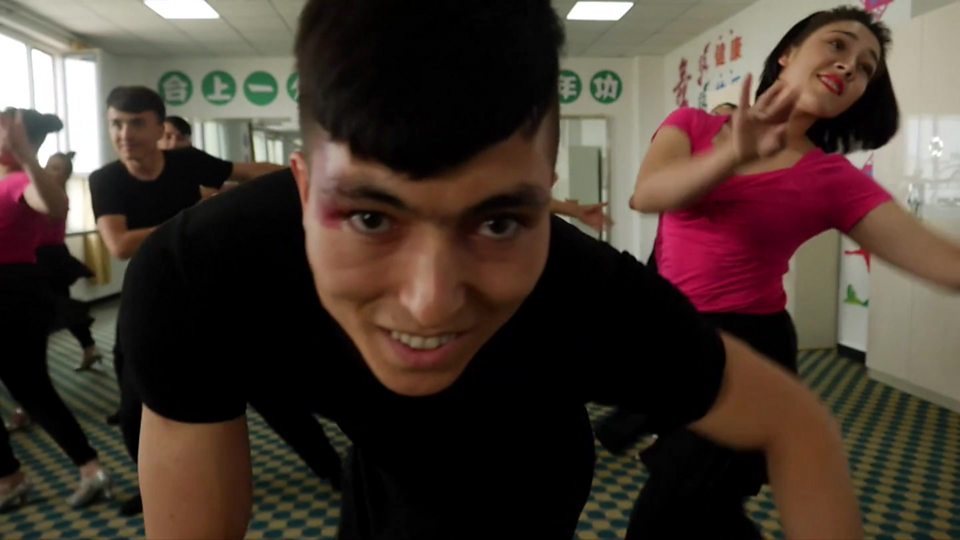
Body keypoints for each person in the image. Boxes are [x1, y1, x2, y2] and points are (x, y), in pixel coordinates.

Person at [124, 2, 863, 538]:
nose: (430, 302)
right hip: (379, 464)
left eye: (499, 221)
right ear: (301, 185)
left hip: (522, 470)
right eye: (372, 218)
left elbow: (795, 424)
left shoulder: (587, 294)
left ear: (545, 194)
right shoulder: (200, 272)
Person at [628, 6, 960, 538]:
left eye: (867, 67)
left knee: (672, 511)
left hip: (749, 347)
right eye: (838, 45)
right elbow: (648, 195)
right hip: (675, 336)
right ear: (788, 54)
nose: (850, 66)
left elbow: (943, 263)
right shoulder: (691, 124)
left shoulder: (832, 179)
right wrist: (731, 155)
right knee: (703, 512)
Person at [89, 86, 339, 516]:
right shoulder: (106, 180)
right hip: (149, 305)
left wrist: (307, 177)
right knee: (134, 412)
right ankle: (153, 488)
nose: (124, 134)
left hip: (218, 296)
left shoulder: (186, 162)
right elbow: (119, 244)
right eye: (116, 124)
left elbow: (250, 171)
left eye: (136, 123)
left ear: (159, 128)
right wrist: (204, 218)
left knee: (273, 394)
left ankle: (333, 470)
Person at [0, 109, 112, 511]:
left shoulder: (19, 180)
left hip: (11, 292)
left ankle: (16, 477)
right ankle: (86, 469)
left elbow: (55, 204)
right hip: (15, 291)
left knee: (33, 388)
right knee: (33, 389)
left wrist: (27, 157)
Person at [37, 151, 103, 371]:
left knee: (58, 307)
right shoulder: (45, 193)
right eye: (47, 165)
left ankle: (88, 348)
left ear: (65, 176)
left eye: (55, 168)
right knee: (60, 307)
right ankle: (89, 348)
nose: (47, 171)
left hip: (51, 258)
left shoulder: (57, 198)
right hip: (42, 256)